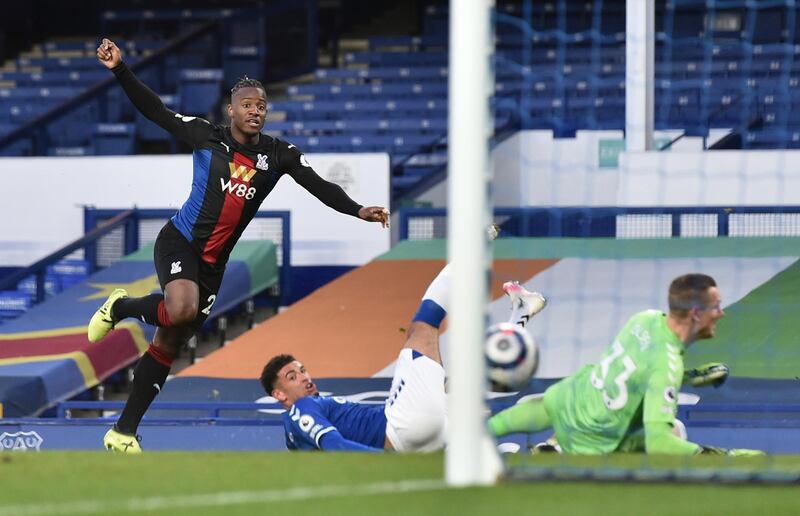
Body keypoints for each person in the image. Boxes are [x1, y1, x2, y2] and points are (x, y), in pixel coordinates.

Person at [88, 38, 390, 453]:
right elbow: (155, 110)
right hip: (179, 242)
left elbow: (318, 185)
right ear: (231, 110)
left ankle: (122, 432)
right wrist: (120, 68)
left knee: (169, 343)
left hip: (213, 265)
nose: (255, 111)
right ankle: (120, 307)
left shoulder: (280, 155)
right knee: (179, 309)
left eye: (261, 105)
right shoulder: (204, 135)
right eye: (247, 104)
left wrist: (358, 210)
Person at [260, 262, 547, 451]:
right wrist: (388, 463)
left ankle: (520, 314)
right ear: (279, 395)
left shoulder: (300, 428)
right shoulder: (301, 410)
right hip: (401, 427)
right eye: (292, 376)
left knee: (454, 386)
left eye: (302, 369)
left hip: (420, 435)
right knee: (420, 329)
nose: (305, 377)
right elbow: (335, 445)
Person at [488, 273, 764, 456]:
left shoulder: (644, 319)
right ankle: (555, 451)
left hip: (571, 397)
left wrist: (687, 377)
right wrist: (724, 455)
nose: (722, 313)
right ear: (695, 313)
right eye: (716, 306)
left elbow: (637, 372)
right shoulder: (666, 364)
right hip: (597, 437)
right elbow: (659, 440)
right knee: (674, 430)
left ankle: (543, 445)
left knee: (532, 409)